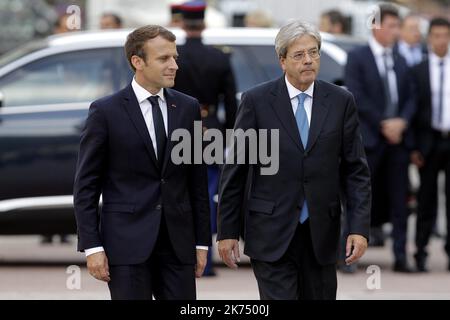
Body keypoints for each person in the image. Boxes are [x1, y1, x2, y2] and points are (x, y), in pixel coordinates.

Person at [217, 20, 371, 300]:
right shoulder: (256, 101)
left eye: (314, 53)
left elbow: (355, 171)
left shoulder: (340, 101)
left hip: (321, 234)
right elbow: (236, 170)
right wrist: (227, 231)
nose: (308, 61)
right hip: (270, 232)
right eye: (299, 55)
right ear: (282, 60)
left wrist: (359, 229)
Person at [73, 25, 211, 300]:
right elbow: (86, 186)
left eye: (175, 58)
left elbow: (196, 180)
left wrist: (201, 242)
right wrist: (92, 247)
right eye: (164, 59)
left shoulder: (187, 107)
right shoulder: (105, 112)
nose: (174, 65)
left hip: (177, 244)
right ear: (137, 62)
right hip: (126, 245)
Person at [345, 4, 417, 272]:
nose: (395, 32)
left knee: (400, 201)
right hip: (370, 140)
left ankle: (400, 256)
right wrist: (383, 123)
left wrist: (402, 122)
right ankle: (349, 257)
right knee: (359, 199)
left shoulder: (401, 60)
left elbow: (411, 97)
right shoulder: (358, 57)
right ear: (376, 26)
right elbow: (357, 96)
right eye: (391, 26)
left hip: (398, 142)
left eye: (397, 26)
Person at [173, 0, 238, 277]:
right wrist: (232, 133)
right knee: (208, 192)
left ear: (181, 23)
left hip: (179, 128)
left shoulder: (173, 56)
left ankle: (181, 256)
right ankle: (206, 261)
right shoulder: (219, 57)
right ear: (204, 23)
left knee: (179, 191)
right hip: (211, 128)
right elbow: (232, 105)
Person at [411, 17, 450, 272]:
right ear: (430, 38)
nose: (441, 40)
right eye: (436, 35)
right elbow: (413, 111)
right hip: (428, 141)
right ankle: (421, 250)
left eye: (445, 35)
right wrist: (414, 146)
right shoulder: (418, 70)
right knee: (426, 199)